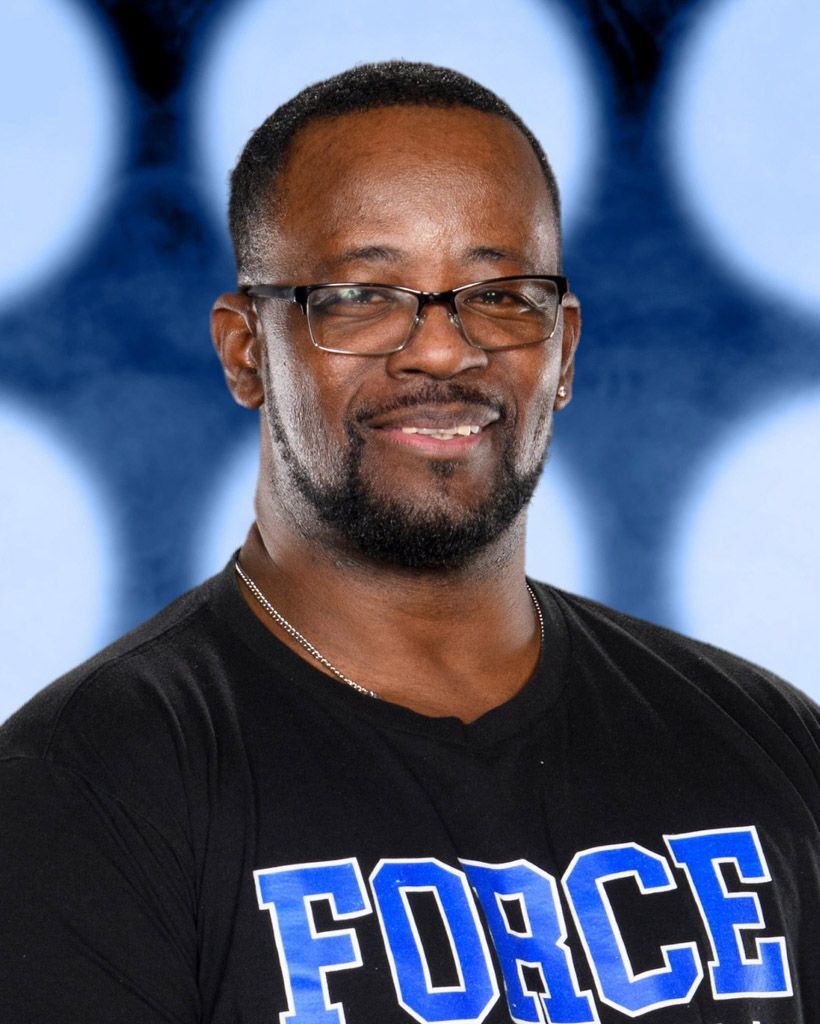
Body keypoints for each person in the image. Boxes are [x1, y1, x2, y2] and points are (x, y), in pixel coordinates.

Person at [0, 61, 817, 1024]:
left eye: (502, 293)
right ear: (245, 351)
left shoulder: (771, 749)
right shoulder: (84, 787)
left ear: (564, 350)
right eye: (361, 295)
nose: (440, 348)